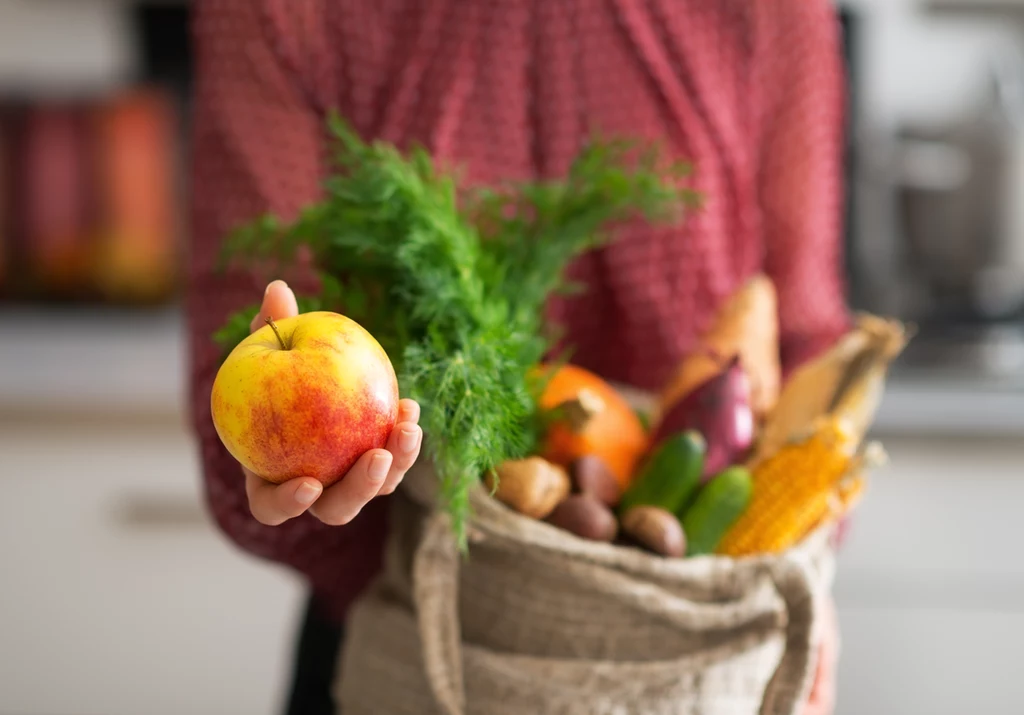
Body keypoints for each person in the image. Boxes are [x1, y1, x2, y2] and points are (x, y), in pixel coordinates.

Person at [187, 1, 850, 713]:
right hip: (416, 632)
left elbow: (809, 338)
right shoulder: (285, 13)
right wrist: (298, 463)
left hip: (695, 647)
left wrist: (806, 571)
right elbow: (241, 347)